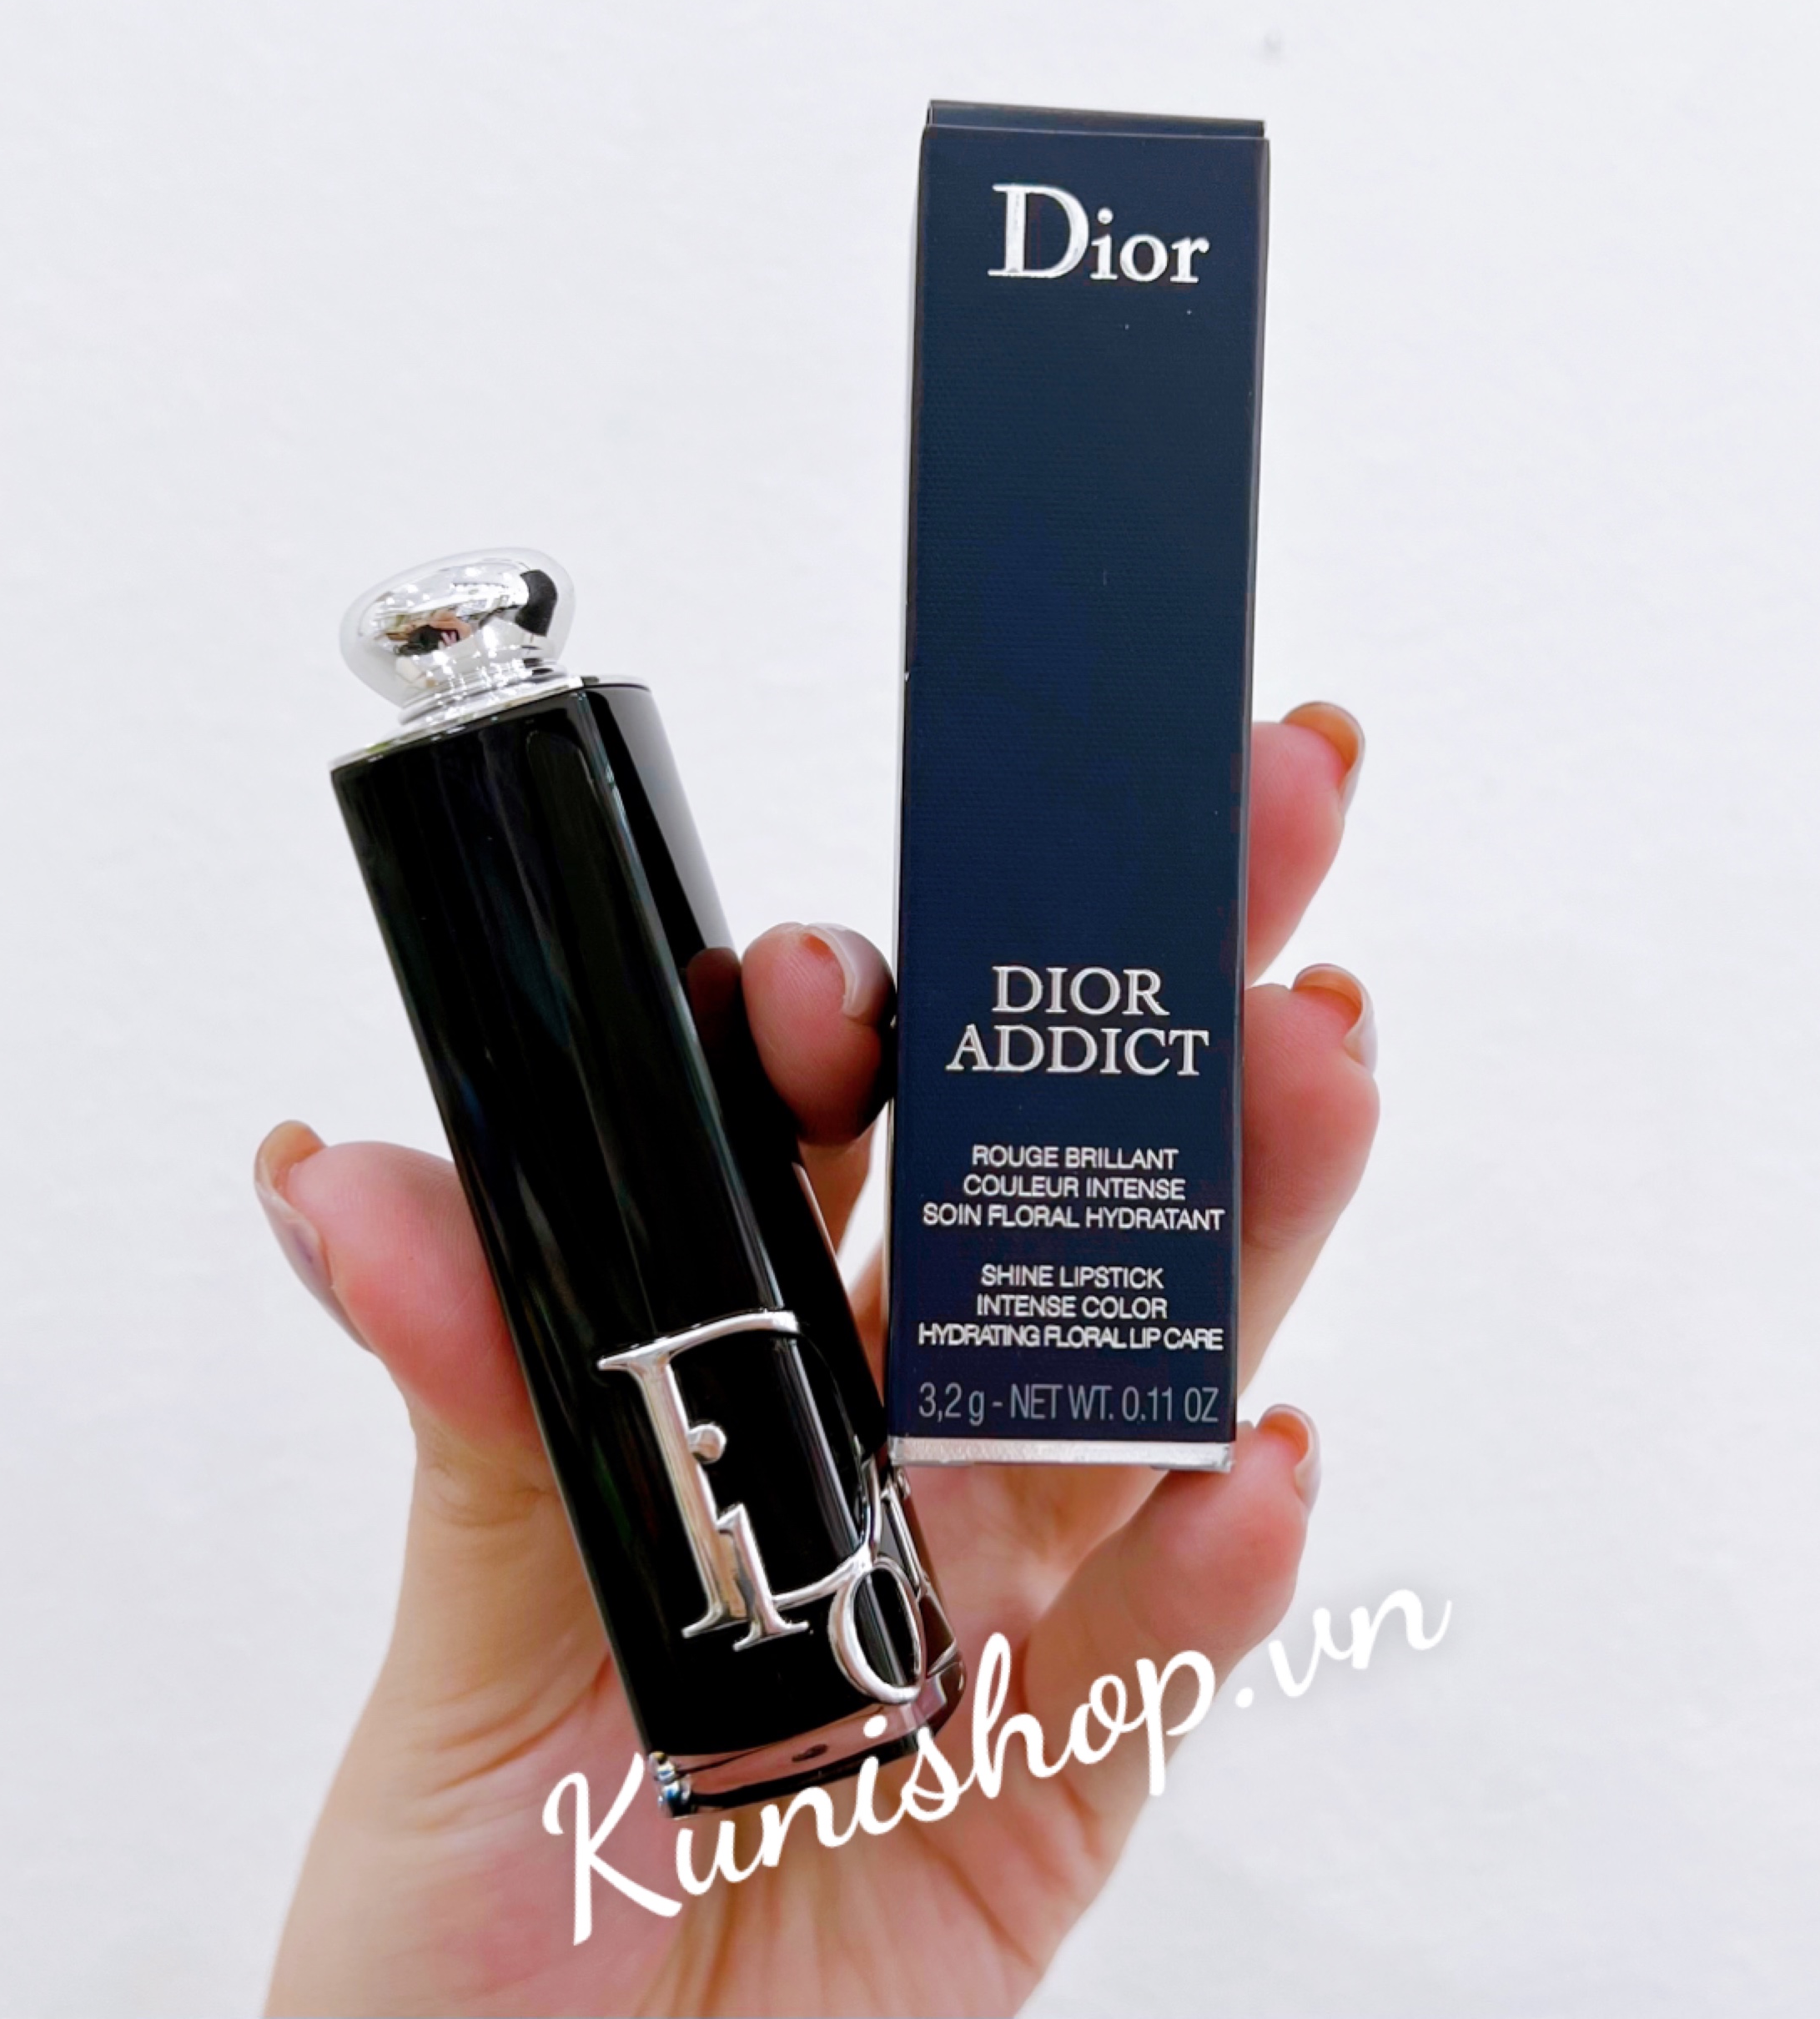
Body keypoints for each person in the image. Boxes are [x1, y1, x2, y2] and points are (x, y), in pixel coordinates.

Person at [252, 703, 1376, 2017]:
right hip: (725, 1687)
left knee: (796, 1046)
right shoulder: (464, 807)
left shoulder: (581, 755)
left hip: (854, 1647)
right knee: (797, 1036)